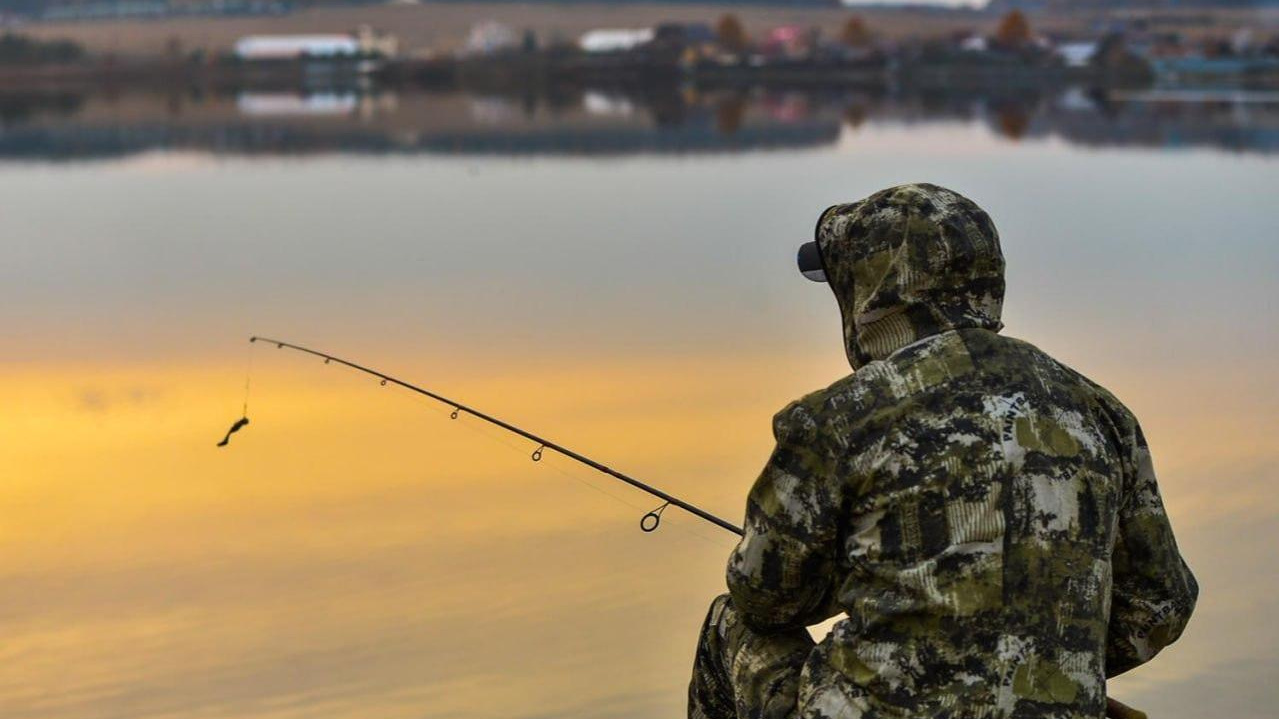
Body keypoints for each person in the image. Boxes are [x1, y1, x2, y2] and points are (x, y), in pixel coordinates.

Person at [688, 184, 1197, 719]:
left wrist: (863, 587)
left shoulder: (836, 419)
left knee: (731, 621)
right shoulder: (1098, 412)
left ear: (870, 288)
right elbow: (1160, 606)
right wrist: (1036, 664)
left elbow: (764, 598)